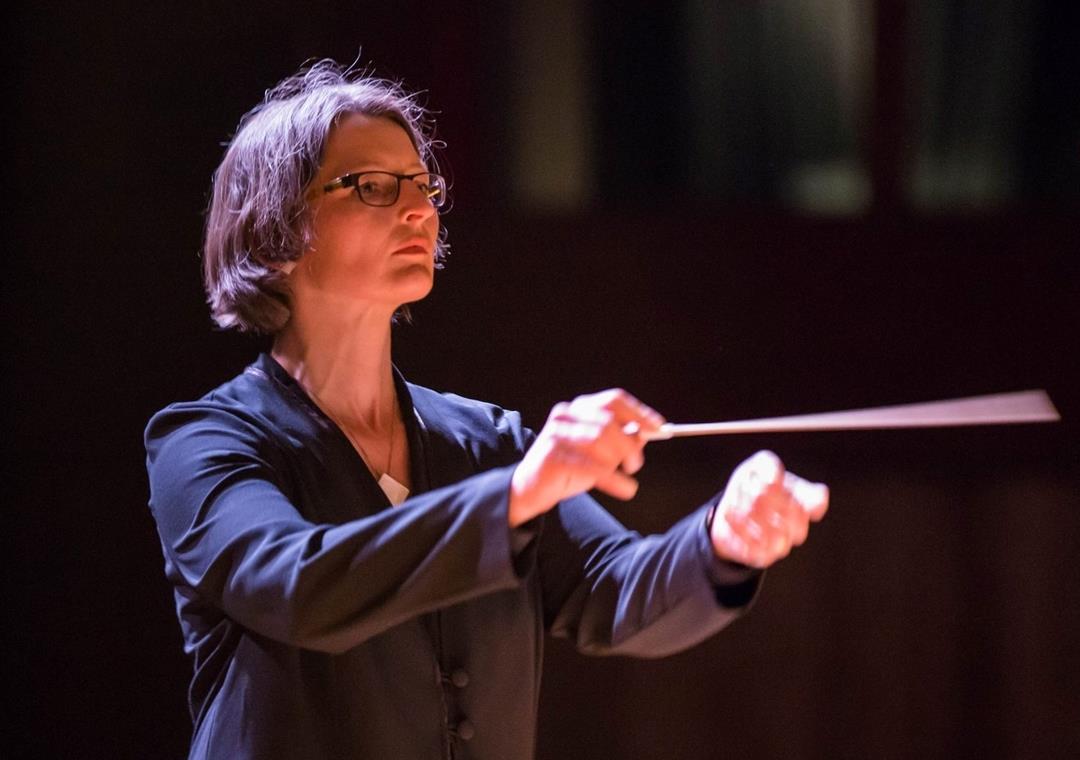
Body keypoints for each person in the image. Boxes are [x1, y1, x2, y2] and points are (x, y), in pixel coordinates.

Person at [144, 60, 829, 760]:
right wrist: (518, 496)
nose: (419, 209)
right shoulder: (203, 442)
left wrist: (724, 540)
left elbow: (619, 590)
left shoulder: (487, 441)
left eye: (423, 185)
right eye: (373, 187)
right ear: (274, 231)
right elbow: (296, 586)